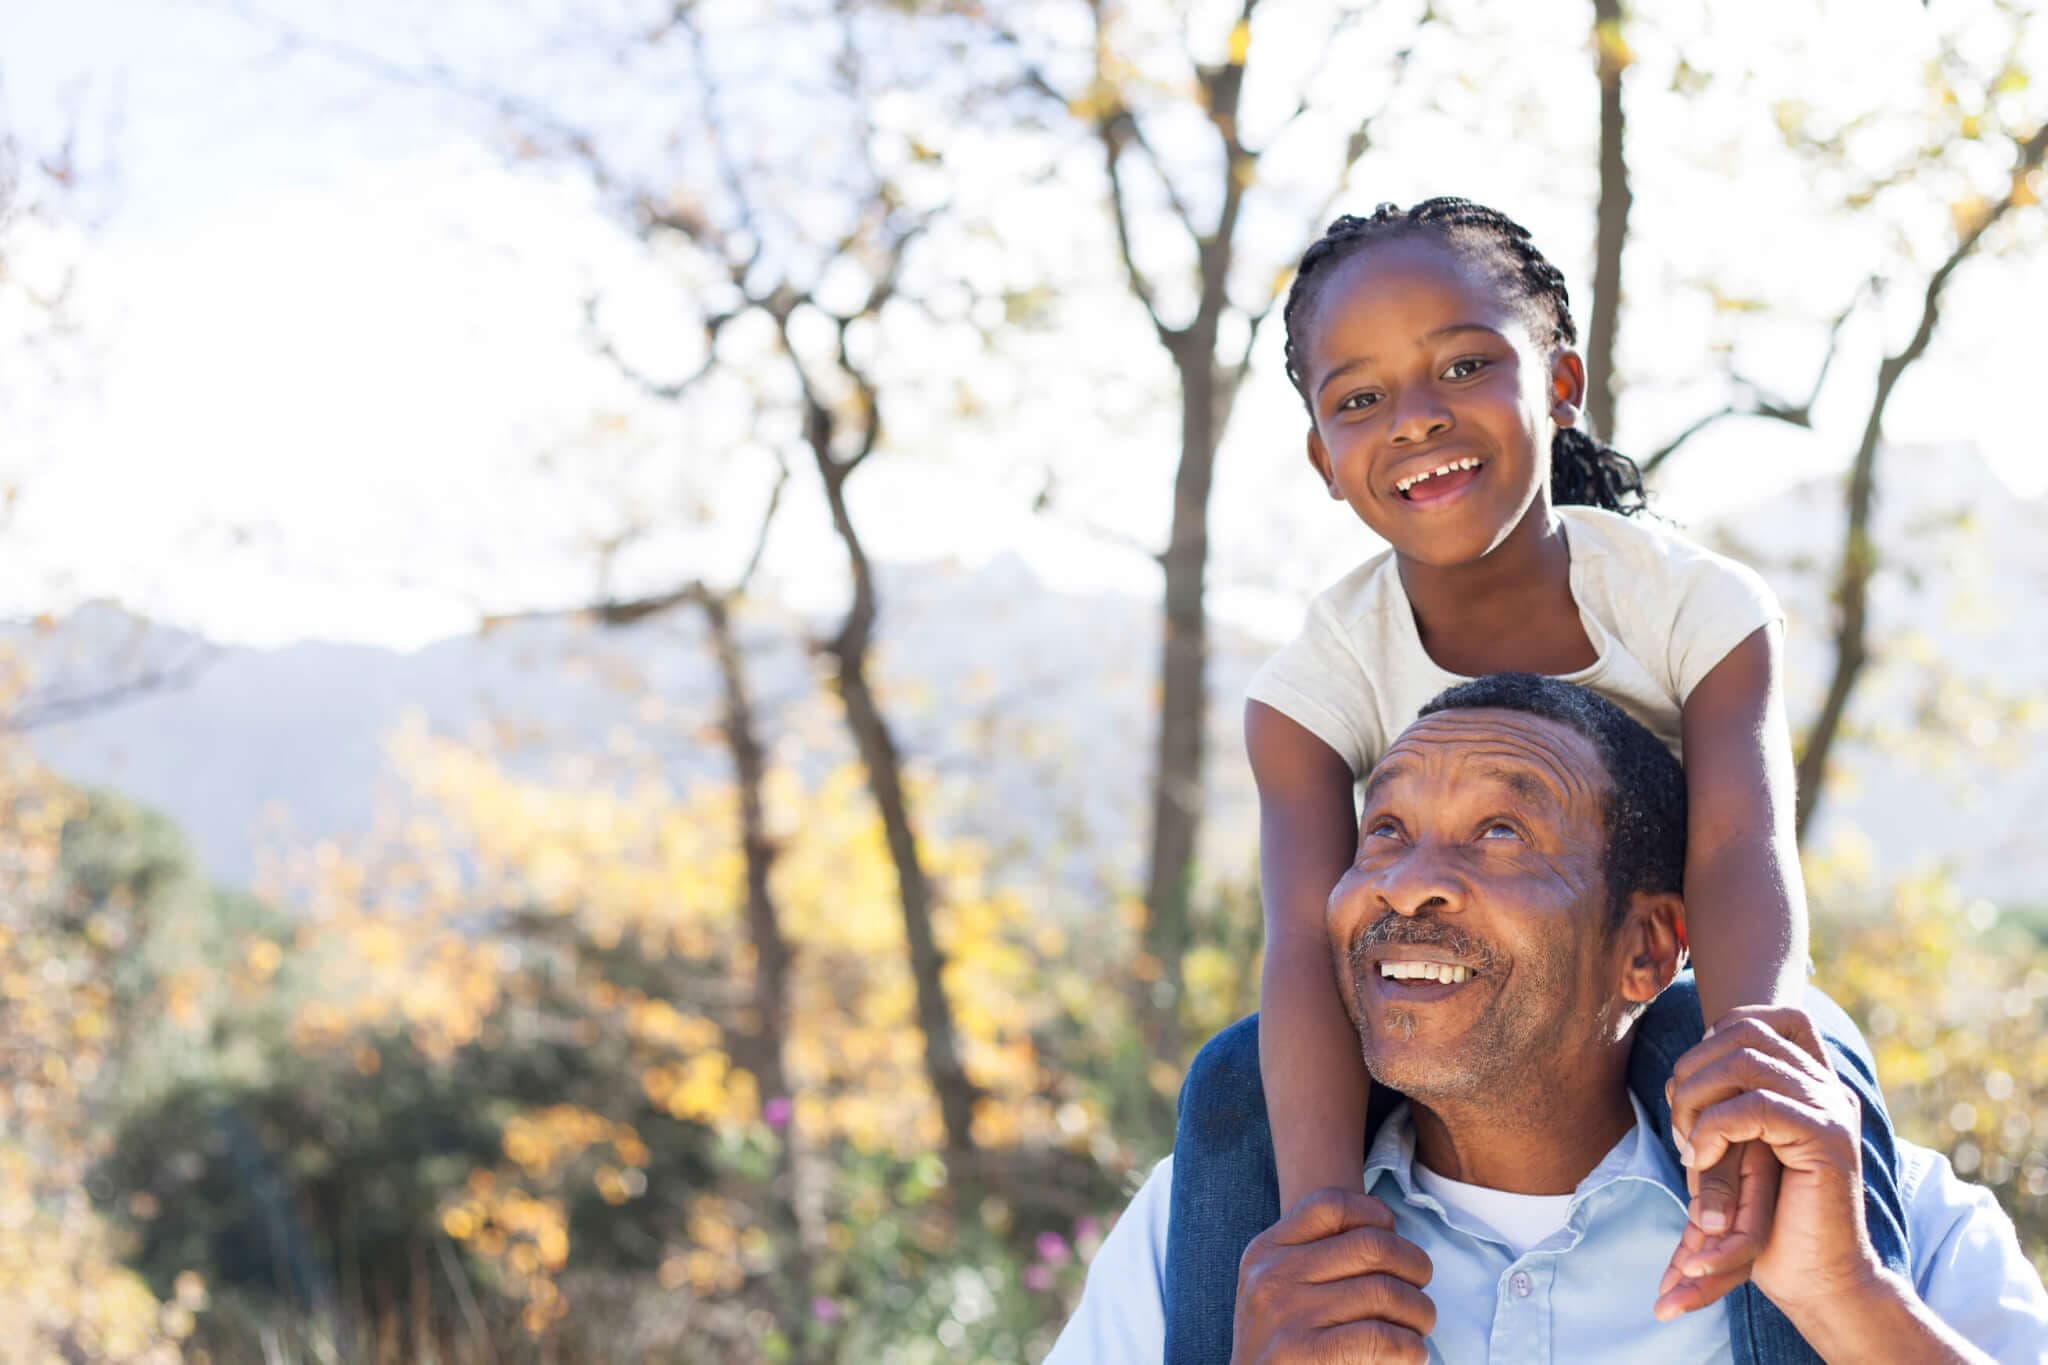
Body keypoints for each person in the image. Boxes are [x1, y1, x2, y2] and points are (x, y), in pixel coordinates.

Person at [1185, 197, 1910, 1362]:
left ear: (1558, 381)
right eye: (1358, 398)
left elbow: (1735, 855)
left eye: (1463, 365)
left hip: (1654, 987)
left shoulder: (1690, 607)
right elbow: (1301, 951)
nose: (1413, 421)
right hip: (1441, 1006)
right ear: (1322, 455)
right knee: (1230, 1079)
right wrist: (1326, 1232)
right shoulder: (1310, 689)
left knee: (1798, 1060)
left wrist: (1753, 1061)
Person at [1049, 677, 2048, 1363]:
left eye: (1499, 831)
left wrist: (1847, 1303)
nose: (1408, 885)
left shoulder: (1896, 1217)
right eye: (1383, 829)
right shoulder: (1217, 1217)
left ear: (1647, 950)